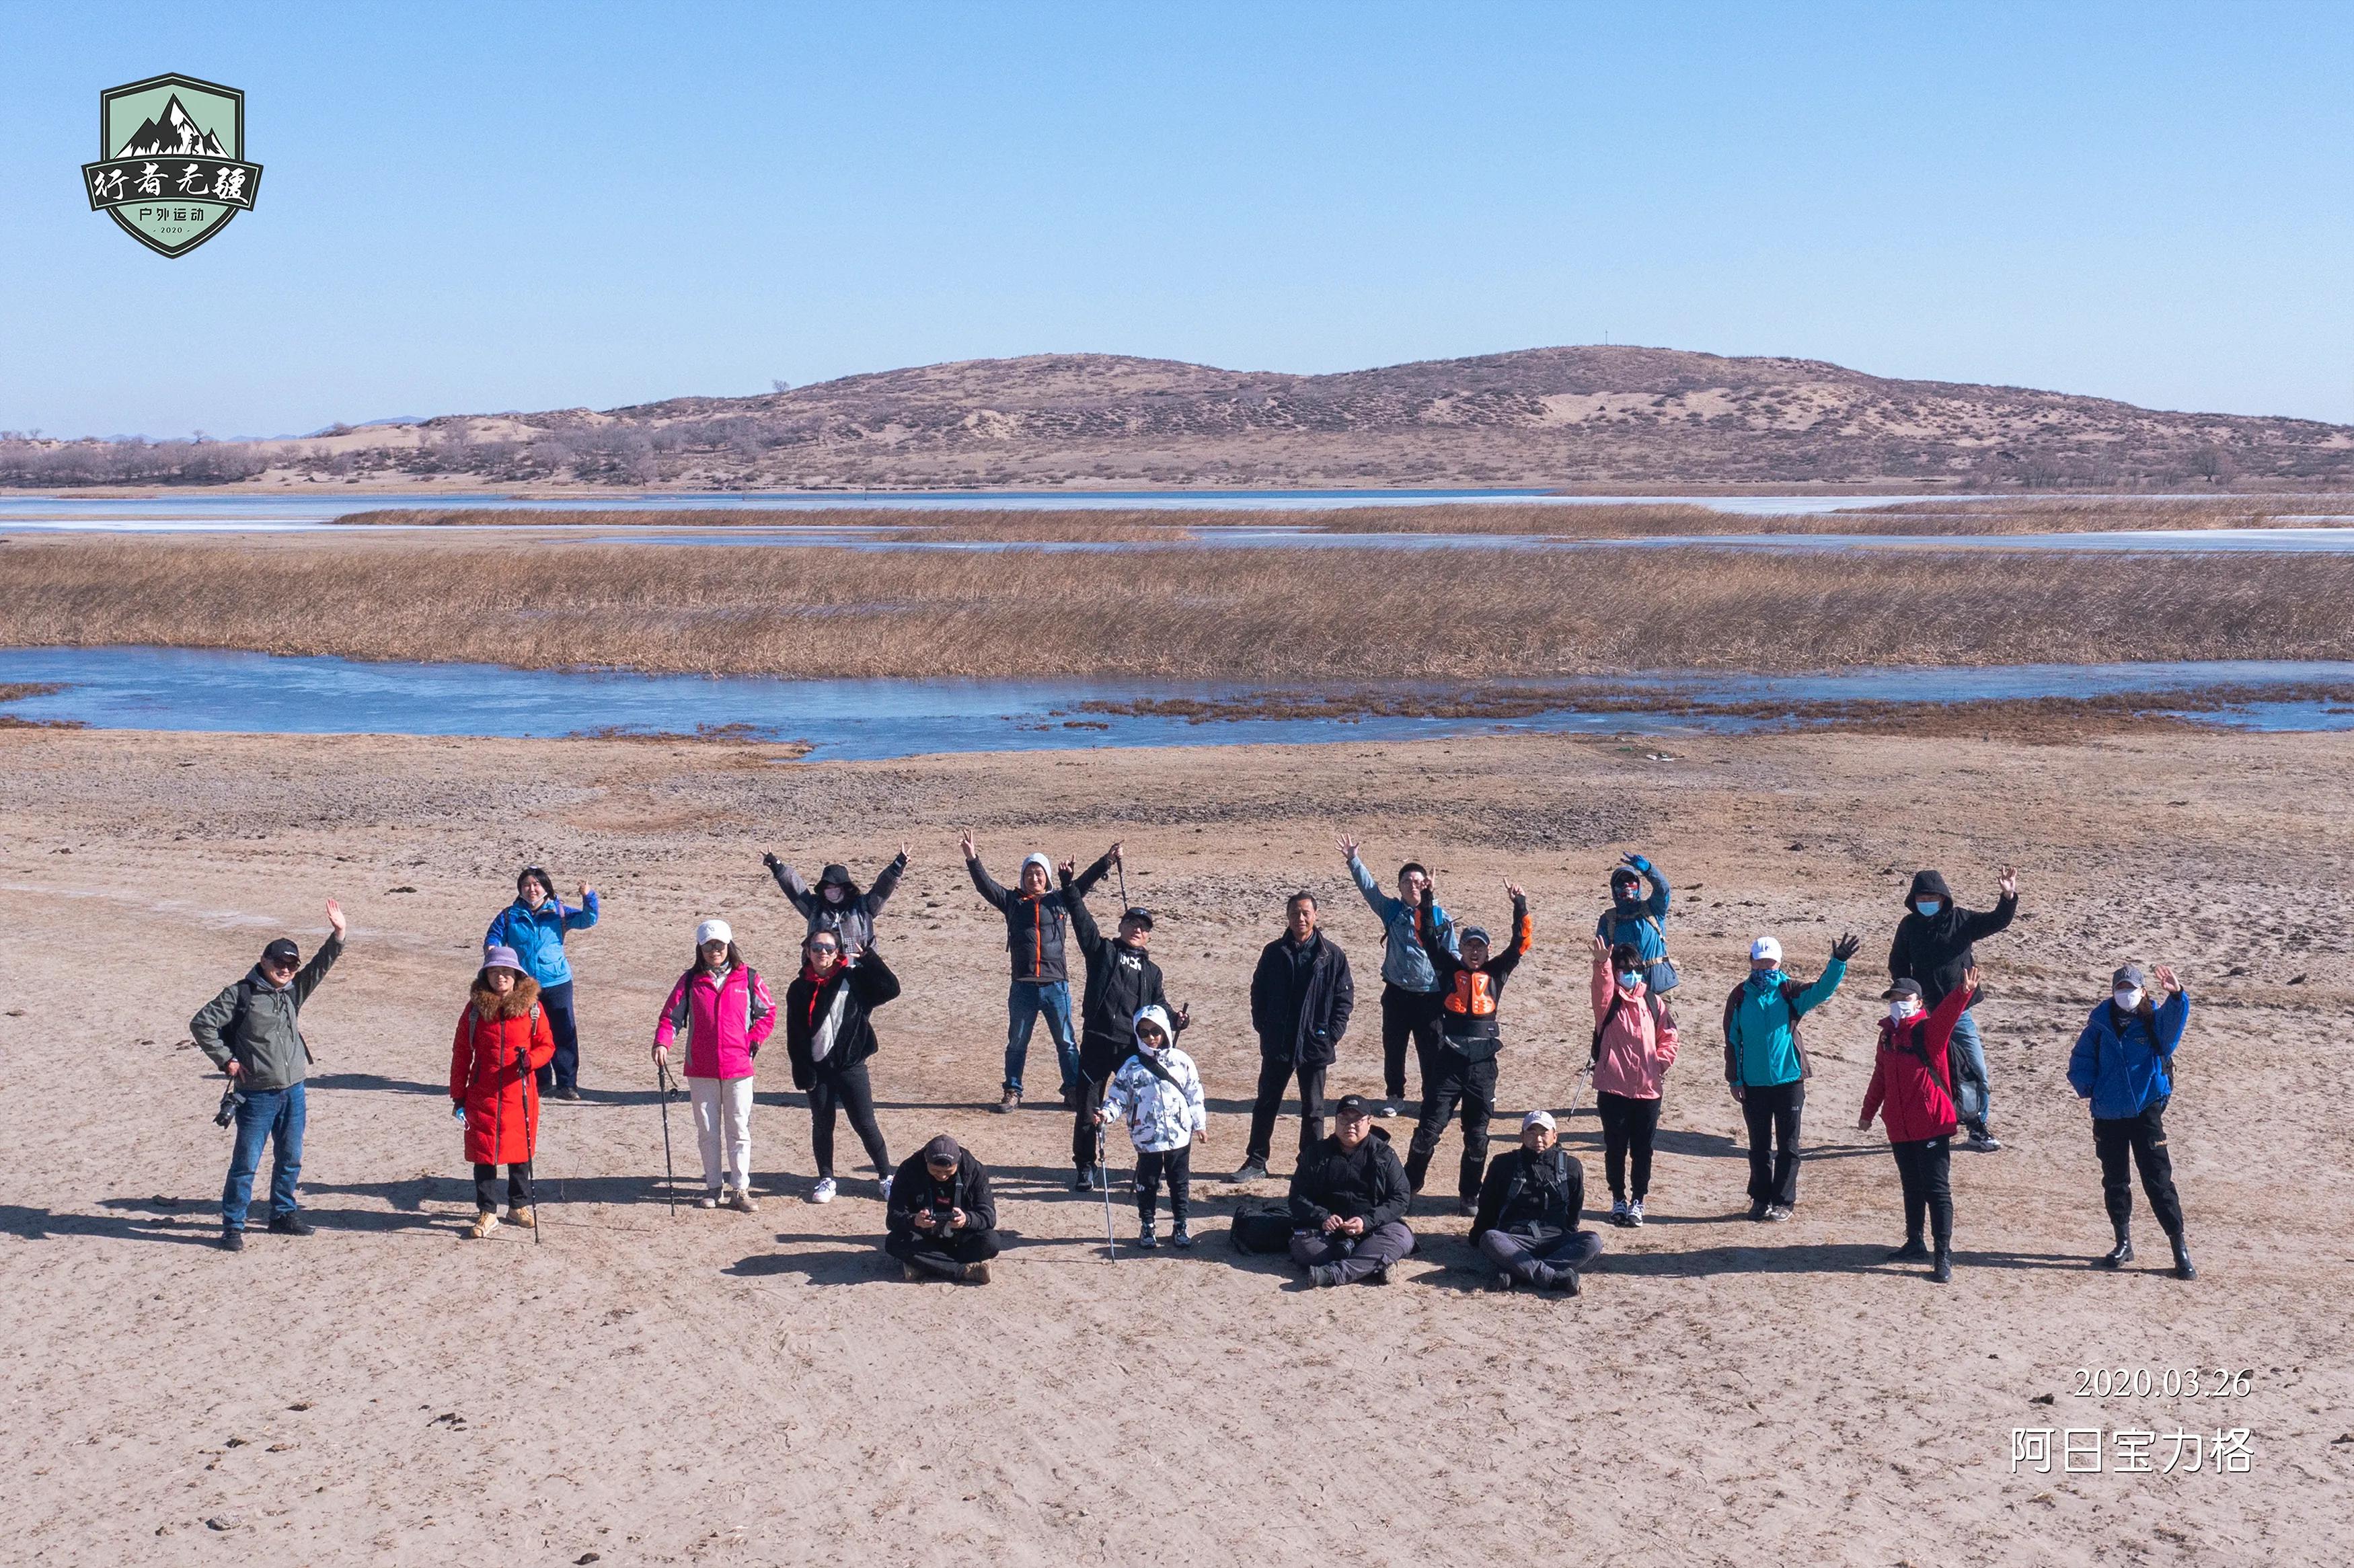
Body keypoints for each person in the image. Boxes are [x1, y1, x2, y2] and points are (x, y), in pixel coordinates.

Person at [190, 901, 346, 1251]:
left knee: (290, 1157)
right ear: (264, 960)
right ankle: (233, 1227)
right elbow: (202, 1024)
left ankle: (282, 1214)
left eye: (292, 965)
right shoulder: (240, 994)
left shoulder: (293, 993)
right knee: (246, 1164)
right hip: (256, 1094)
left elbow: (321, 967)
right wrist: (226, 1060)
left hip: (294, 1090)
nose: (287, 970)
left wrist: (338, 935)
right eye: (280, 963)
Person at [1061, 843, 1188, 1191]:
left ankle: (1144, 1170)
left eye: (1144, 927)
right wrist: (1070, 883)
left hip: (1133, 1048)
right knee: (1089, 1105)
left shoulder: (1153, 972)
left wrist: (1174, 1020)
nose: (1138, 929)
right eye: (1133, 922)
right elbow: (1080, 916)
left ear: (1149, 935)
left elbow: (1159, 1006)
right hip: (1097, 1042)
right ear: (1121, 925)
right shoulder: (1102, 951)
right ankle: (1085, 1166)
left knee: (1142, 1106)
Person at [1405, 881, 1532, 1215]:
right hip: (1448, 1061)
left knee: (1477, 1138)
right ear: (1460, 948)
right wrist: (1429, 896)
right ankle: (1408, 1186)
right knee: (1427, 1132)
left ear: (1488, 951)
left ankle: (1469, 1195)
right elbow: (1426, 935)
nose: (1475, 952)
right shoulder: (1448, 968)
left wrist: (1519, 903)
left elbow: (1521, 942)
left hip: (1483, 1065)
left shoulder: (1497, 972)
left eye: (1480, 947)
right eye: (1469, 946)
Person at [2067, 964, 2195, 1280]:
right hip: (2108, 1113)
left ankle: (2180, 1250)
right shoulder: (2099, 1024)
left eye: (2131, 988)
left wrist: (2177, 996)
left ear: (2143, 991)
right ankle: (2123, 1242)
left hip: (2145, 1112)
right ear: (2113, 992)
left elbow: (2172, 1032)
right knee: (2115, 1180)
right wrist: (2090, 1088)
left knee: (2159, 1182)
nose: (2126, 994)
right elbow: (2080, 1061)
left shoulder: (2154, 1021)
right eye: (2120, 988)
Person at [1722, 931, 1859, 1222]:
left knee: (1788, 1146)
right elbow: (1732, 1041)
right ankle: (1760, 1200)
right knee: (1758, 1147)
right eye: (1759, 963)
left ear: (1779, 962)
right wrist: (1735, 1080)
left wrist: (1837, 962)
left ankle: (1784, 1202)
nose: (1763, 969)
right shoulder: (1739, 996)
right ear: (1750, 962)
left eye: (1769, 963)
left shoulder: (1789, 991)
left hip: (1790, 1082)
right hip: (1753, 1086)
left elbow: (1822, 991)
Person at [1858, 970, 1979, 1284]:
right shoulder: (1886, 1036)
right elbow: (1880, 1077)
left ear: (1919, 1002)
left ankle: (1943, 1256)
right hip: (1899, 1125)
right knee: (1911, 1187)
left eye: (1905, 999)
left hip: (1932, 1124)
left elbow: (1947, 1017)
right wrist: (1868, 1113)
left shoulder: (1928, 1032)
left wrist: (1961, 994)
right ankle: (1914, 1243)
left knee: (1937, 1191)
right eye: (1894, 999)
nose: (1899, 1004)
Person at [1888, 867, 2018, 1152]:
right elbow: (1898, 962)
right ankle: (1928, 1127)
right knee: (1927, 1075)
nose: (1927, 902)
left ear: (1944, 898)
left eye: (1932, 896)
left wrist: (2008, 895)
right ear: (1914, 899)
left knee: (1975, 1070)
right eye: (1922, 897)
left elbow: (1998, 921)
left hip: (1958, 1013)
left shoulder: (1962, 920)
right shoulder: (1908, 926)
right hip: (1923, 1016)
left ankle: (1977, 1126)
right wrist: (1905, 995)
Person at [652, 920, 775, 1212]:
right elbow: (670, 1017)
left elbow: (767, 1012)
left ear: (729, 945)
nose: (714, 950)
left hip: (738, 1068)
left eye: (719, 945)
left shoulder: (748, 978)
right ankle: (712, 1186)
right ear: (700, 948)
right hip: (702, 1069)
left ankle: (740, 1189)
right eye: (708, 946)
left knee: (739, 1128)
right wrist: (662, 1043)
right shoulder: (689, 981)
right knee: (707, 1130)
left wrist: (752, 1040)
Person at [1233, 892, 1355, 1183]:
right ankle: (1257, 1160)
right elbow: (1258, 992)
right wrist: (1265, 1027)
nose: (1300, 919)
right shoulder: (1274, 952)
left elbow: (1344, 999)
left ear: (1315, 915)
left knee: (1313, 1108)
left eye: (1305, 913)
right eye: (1294, 914)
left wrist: (1331, 1035)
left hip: (1315, 1043)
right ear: (1287, 917)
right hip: (1278, 1043)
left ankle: (1309, 1164)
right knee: (1266, 1103)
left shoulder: (1332, 955)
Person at [961, 830, 1083, 1113]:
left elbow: (1084, 884)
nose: (1034, 878)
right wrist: (972, 859)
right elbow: (985, 885)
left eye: (1039, 873)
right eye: (1029, 873)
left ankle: (1074, 1091)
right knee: (1017, 1042)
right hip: (1023, 987)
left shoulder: (1060, 900)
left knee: (1066, 1042)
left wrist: (1107, 861)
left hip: (1056, 986)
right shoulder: (1013, 902)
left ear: (1048, 877)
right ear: (1022, 877)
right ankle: (1012, 1091)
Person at [782, 927, 901, 1204]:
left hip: (851, 1067)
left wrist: (871, 959)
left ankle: (886, 1177)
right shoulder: (798, 988)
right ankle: (826, 1178)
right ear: (807, 951)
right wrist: (802, 1070)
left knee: (865, 1123)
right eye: (816, 947)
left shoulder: (854, 979)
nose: (822, 952)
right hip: (818, 1070)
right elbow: (795, 1033)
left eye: (829, 948)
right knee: (822, 1124)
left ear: (837, 953)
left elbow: (891, 989)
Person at [1340, 835, 1455, 1119]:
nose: (1412, 886)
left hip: (1430, 997)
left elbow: (1453, 956)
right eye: (1407, 882)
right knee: (1394, 1047)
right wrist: (1354, 860)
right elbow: (1370, 891)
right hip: (1396, 995)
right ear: (1400, 887)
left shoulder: (1441, 917)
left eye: (1418, 882)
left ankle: (1431, 1099)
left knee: (1431, 1051)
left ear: (1427, 884)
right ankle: (1395, 1096)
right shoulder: (1391, 911)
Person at [451, 945, 558, 1239]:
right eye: (495, 971)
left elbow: (547, 1045)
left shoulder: (532, 1009)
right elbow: (462, 1052)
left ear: (516, 976)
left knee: (520, 1150)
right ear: (486, 975)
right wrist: (458, 1095)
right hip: (482, 1092)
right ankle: (487, 1212)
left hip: (519, 1091)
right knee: (484, 1154)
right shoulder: (474, 1010)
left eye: (506, 972)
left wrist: (530, 1061)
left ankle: (518, 1206)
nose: (501, 977)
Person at [483, 865, 601, 1101]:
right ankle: (540, 1081)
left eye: (536, 885)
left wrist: (588, 896)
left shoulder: (559, 912)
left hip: (557, 981)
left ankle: (567, 1084)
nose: (532, 889)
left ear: (546, 888)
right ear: (520, 889)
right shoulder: (510, 915)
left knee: (564, 1032)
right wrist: (492, 948)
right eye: (527, 885)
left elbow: (589, 919)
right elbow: (494, 935)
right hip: (524, 985)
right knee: (530, 1032)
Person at [1097, 1005, 1208, 1248]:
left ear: (1166, 1030)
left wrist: (1200, 1124)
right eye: (1144, 1032)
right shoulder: (1131, 1067)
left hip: (1179, 1136)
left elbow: (1194, 1094)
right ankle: (1147, 1225)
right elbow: (1118, 1099)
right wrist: (1106, 1115)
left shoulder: (1182, 1061)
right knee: (1147, 1183)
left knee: (1179, 1182)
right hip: (1147, 1138)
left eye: (1156, 1031)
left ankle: (1181, 1223)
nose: (1151, 1038)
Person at [1589, 933, 1679, 1226]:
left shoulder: (1654, 1002)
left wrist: (1659, 1064)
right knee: (1615, 1148)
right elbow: (1601, 988)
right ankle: (1618, 1199)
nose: (1632, 975)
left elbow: (1669, 1037)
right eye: (1625, 970)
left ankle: (1638, 1201)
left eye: (1636, 969)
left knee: (1643, 1150)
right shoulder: (1609, 1002)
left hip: (1648, 1091)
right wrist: (1602, 965)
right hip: (1613, 1089)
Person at [1471, 1110, 1604, 1294]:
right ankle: (1555, 1279)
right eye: (1531, 1132)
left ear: (1555, 1136)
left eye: (1544, 1133)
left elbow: (1575, 1206)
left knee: (1593, 1242)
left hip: (1555, 1239)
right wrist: (1478, 1236)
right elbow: (1488, 1204)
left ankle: (1517, 1274)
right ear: (1522, 1136)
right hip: (1515, 1239)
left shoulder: (1572, 1166)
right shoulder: (1502, 1164)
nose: (1538, 1139)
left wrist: (1569, 1237)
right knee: (1489, 1239)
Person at [1288, 1095, 1415, 1287]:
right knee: (1305, 1248)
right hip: (1327, 1233)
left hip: (1373, 1229)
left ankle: (1333, 1274)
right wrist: (1323, 1218)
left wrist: (1367, 1221)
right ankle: (1374, 1264)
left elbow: (1400, 1198)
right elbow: (1297, 1197)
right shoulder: (1315, 1154)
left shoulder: (1384, 1155)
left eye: (1357, 1119)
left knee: (1401, 1237)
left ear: (1369, 1122)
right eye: (1344, 1119)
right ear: (1336, 1121)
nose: (1351, 1125)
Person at [884, 1134, 1001, 1283]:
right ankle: (963, 1271)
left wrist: (967, 1219)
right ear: (926, 1160)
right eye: (935, 1171)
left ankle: (926, 1265)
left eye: (948, 1171)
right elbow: (893, 1218)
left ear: (958, 1162)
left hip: (961, 1238)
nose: (942, 1176)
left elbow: (988, 1215)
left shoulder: (974, 1170)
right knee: (894, 1242)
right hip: (924, 1238)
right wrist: (915, 1220)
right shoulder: (909, 1170)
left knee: (991, 1242)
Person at [763, 845, 907, 953]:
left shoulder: (863, 906)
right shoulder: (815, 907)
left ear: (845, 888)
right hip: (822, 967)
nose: (831, 891)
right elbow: (795, 890)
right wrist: (777, 866)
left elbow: (882, 890)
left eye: (835, 887)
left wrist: (898, 865)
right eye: (828, 888)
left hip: (858, 968)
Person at [1597, 852, 1675, 992]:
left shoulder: (1653, 909)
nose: (1626, 885)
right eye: (1621, 883)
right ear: (1614, 889)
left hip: (1658, 985)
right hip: (1626, 990)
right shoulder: (1608, 920)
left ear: (1638, 885)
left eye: (1631, 881)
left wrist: (1648, 869)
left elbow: (1663, 890)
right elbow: (1603, 959)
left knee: (1666, 1015)